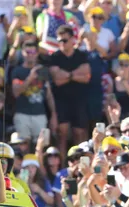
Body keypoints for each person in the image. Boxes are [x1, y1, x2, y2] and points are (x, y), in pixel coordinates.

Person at [49, 25, 91, 154]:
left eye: (65, 40)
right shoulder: (55, 57)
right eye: (59, 40)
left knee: (79, 133)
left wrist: (67, 75)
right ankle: (62, 166)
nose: (62, 43)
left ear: (73, 40)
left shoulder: (81, 55)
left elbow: (87, 77)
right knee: (62, 134)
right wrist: (76, 75)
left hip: (79, 99)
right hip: (61, 100)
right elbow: (57, 79)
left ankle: (79, 163)